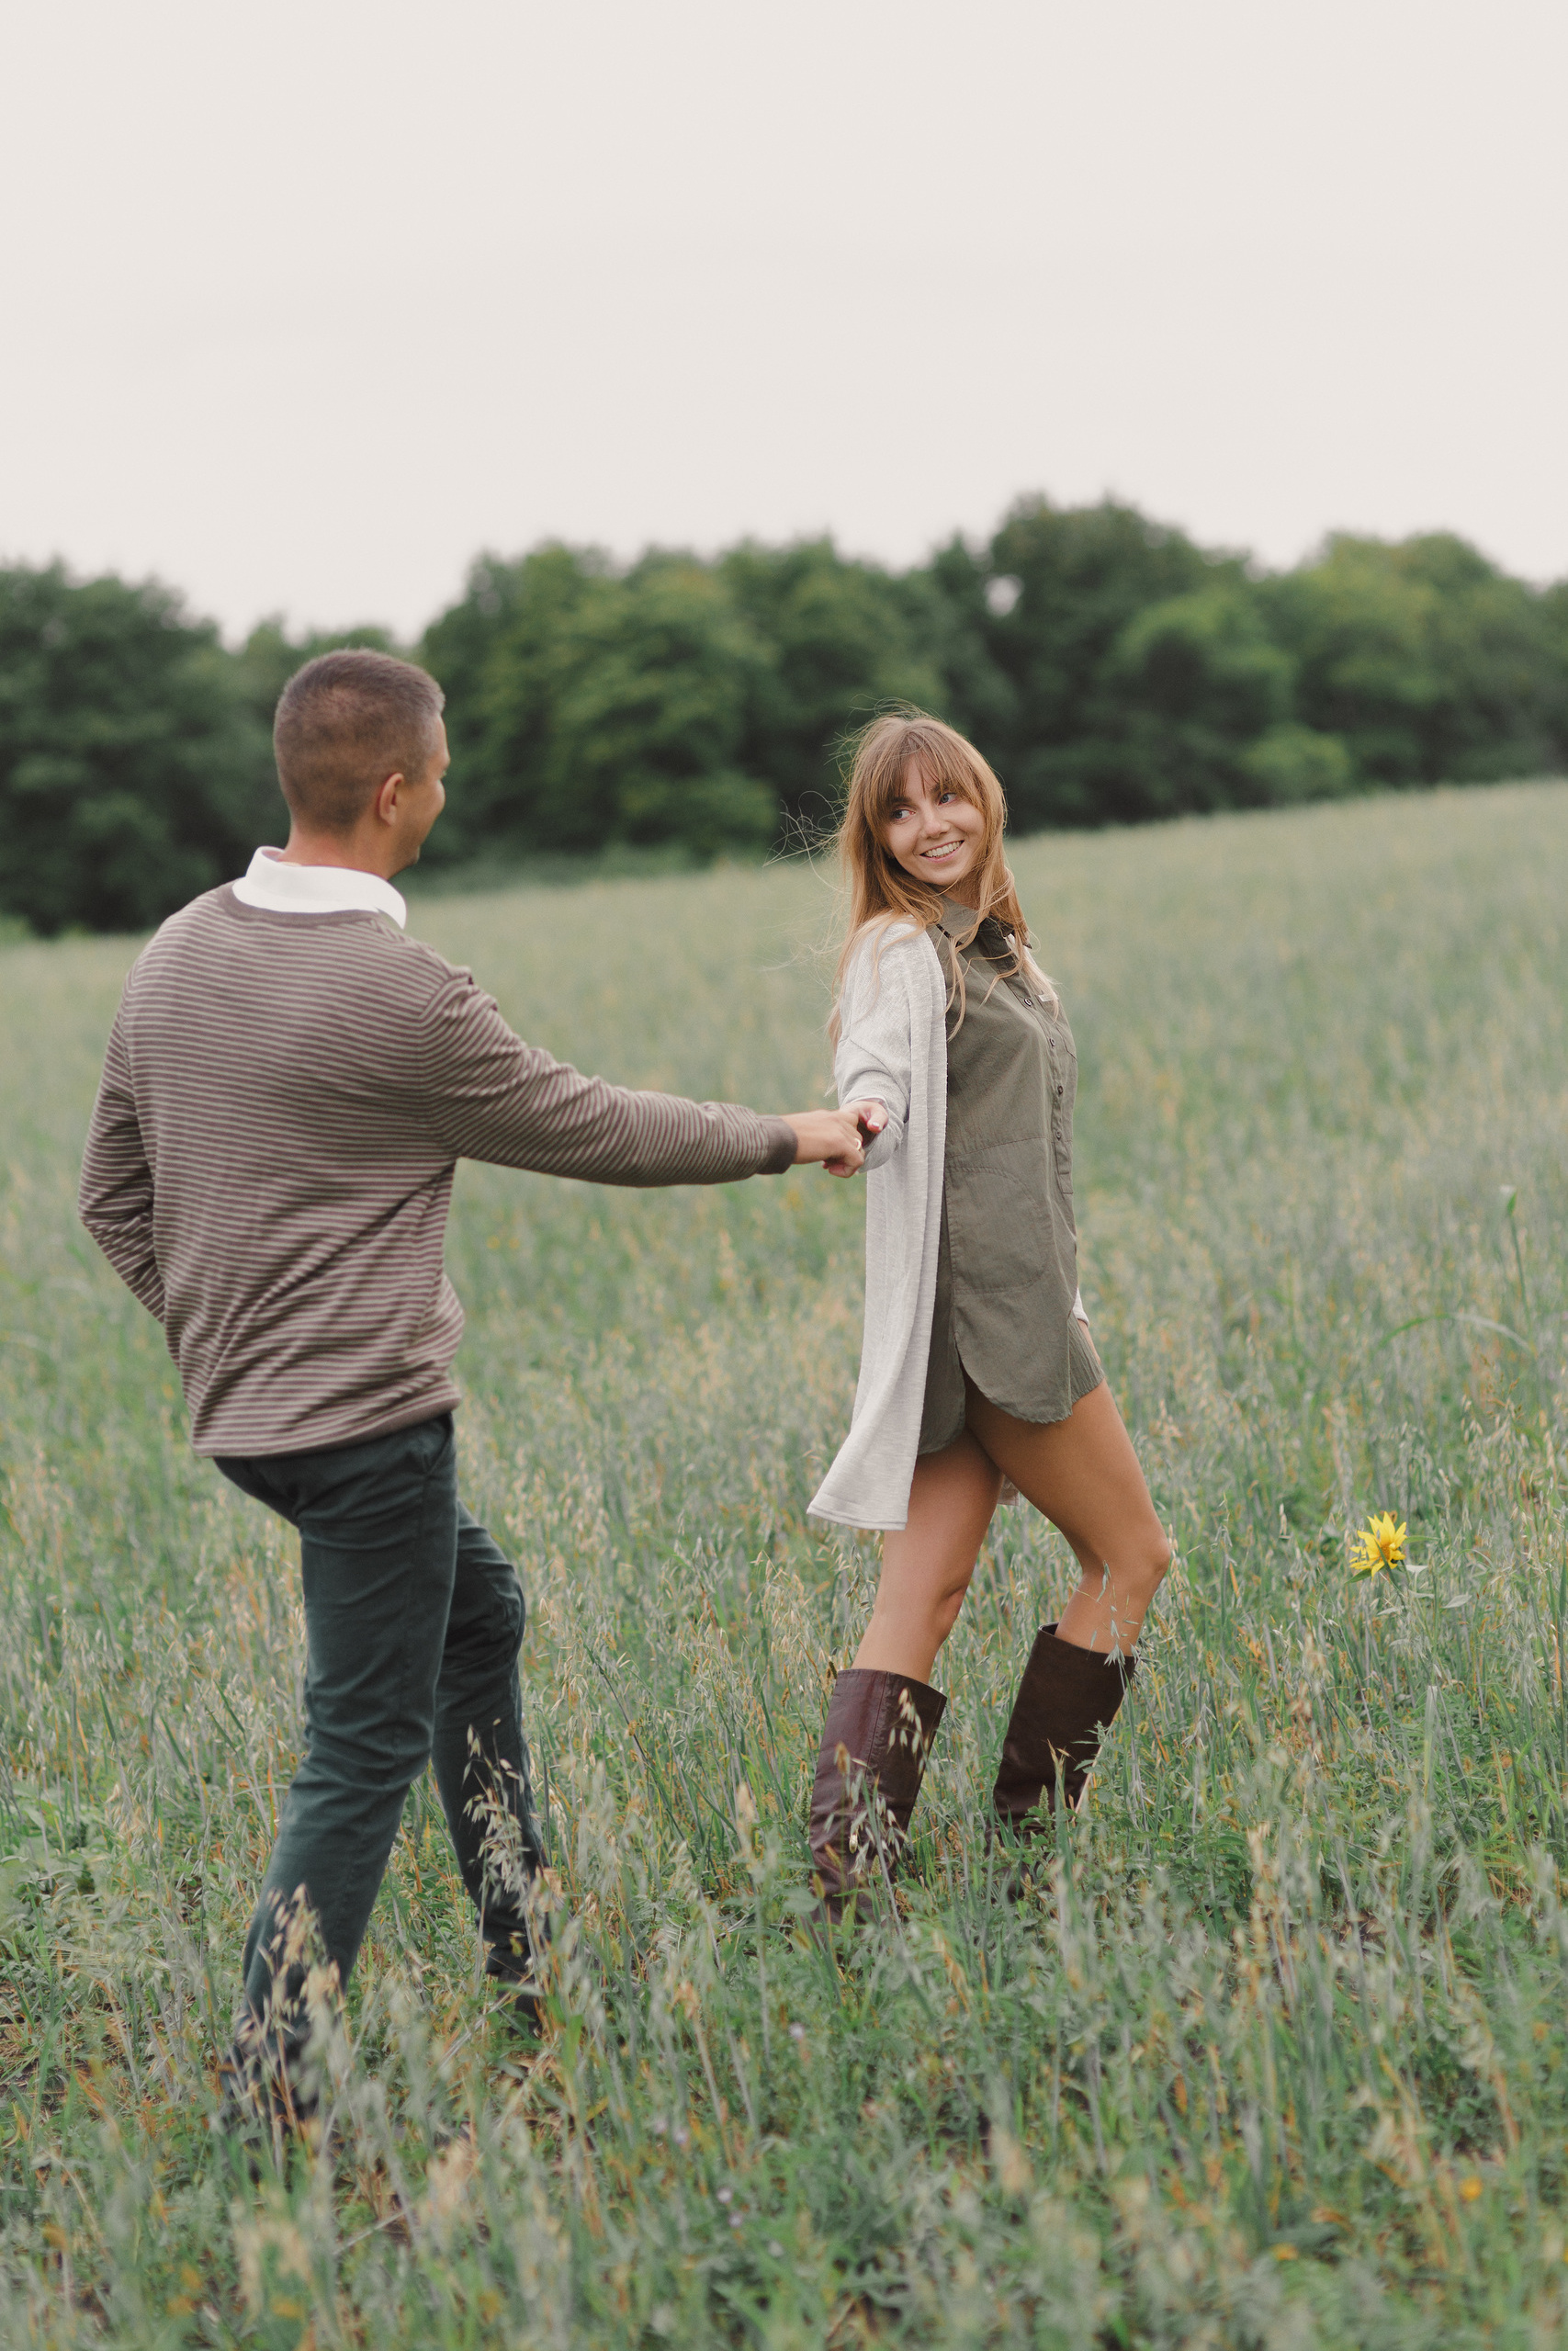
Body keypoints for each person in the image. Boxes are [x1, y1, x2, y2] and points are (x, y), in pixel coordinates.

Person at [77, 648, 866, 2122]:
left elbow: (110, 1197)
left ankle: (528, 1945)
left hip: (257, 1422)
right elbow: (594, 1126)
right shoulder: (397, 990)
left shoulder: (178, 947)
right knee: (361, 1742)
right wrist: (786, 1133)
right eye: (437, 775)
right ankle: (275, 2090)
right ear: (393, 792)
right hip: (369, 1429)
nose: (445, 795)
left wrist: (221, 1343)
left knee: (480, 1614)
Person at [804, 710, 1171, 1917]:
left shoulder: (993, 947)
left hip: (965, 1323)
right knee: (1130, 1558)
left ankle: (850, 1887)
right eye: (900, 811)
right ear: (878, 837)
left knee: (926, 1596)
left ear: (985, 797)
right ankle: (1027, 1859)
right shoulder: (902, 956)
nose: (930, 826)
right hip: (1000, 1323)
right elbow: (874, 1072)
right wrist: (860, 1121)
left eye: (946, 797)